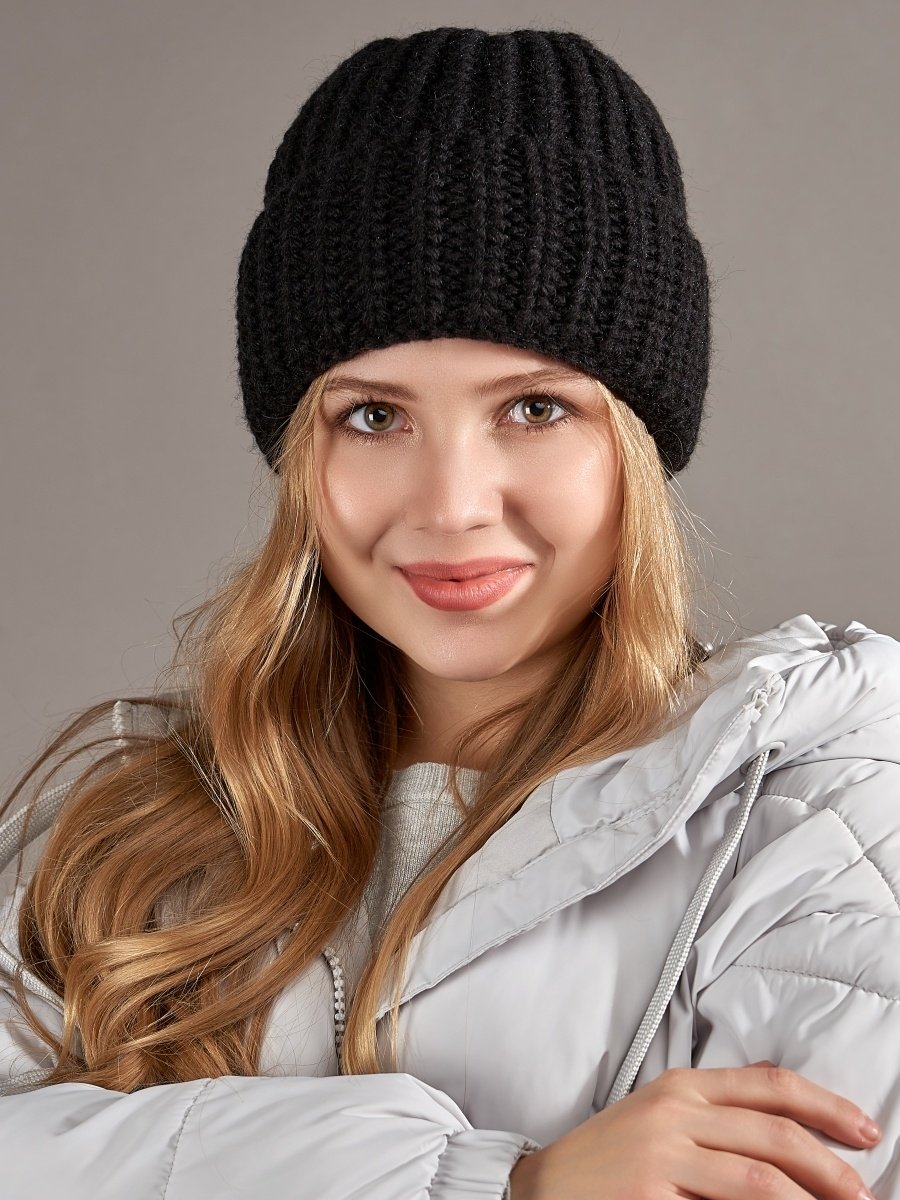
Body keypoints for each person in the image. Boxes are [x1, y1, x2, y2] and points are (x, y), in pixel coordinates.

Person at [1, 24, 897, 1200]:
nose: (452, 505)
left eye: (534, 409)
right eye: (374, 416)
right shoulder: (134, 829)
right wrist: (496, 1185)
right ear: (300, 454)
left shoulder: (816, 806)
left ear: (637, 442)